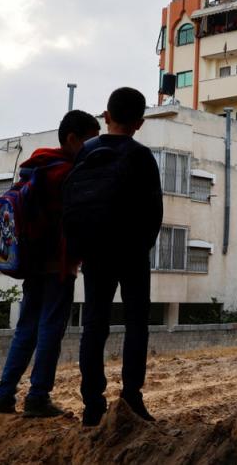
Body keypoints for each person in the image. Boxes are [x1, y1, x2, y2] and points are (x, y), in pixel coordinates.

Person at [0, 110, 100, 418]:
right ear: (72, 139)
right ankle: (38, 396)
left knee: (25, 329)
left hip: (32, 264)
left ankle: (4, 394)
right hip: (58, 265)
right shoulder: (66, 172)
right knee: (51, 329)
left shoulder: (37, 165)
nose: (92, 149)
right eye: (89, 142)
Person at [72, 88, 163, 426]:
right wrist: (142, 246)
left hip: (94, 249)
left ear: (105, 116)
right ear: (140, 123)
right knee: (137, 322)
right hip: (132, 250)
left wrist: (80, 246)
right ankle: (131, 398)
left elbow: (74, 201)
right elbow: (154, 210)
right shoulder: (142, 156)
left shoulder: (85, 152)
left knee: (94, 324)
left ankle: (92, 404)